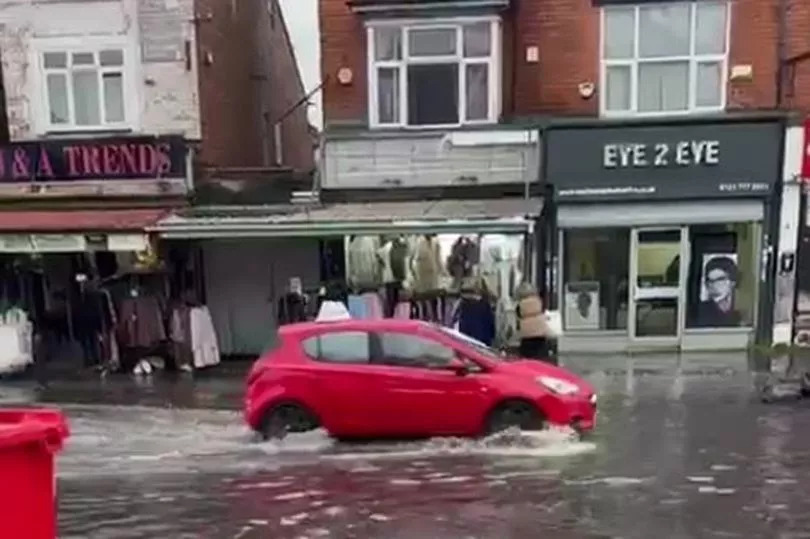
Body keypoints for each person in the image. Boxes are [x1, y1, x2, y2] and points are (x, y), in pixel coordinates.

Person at [697, 255, 741, 328]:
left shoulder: (743, 308)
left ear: (732, 282)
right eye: (710, 281)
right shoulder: (701, 311)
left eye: (720, 280)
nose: (713, 286)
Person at [515, 282, 550, 362]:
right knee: (541, 359)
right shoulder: (539, 302)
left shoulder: (519, 306)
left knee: (528, 361)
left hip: (527, 338)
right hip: (540, 336)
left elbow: (518, 320)